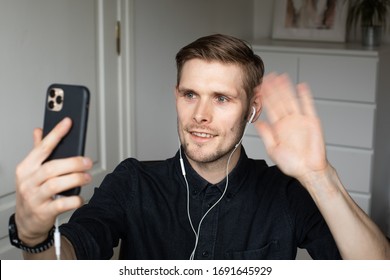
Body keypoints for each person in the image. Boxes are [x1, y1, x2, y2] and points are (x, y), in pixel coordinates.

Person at [12, 34, 390, 260]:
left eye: (222, 99)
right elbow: (71, 258)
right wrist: (33, 238)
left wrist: (319, 177)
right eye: (190, 94)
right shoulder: (133, 182)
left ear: (252, 110)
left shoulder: (286, 194)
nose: (200, 115)